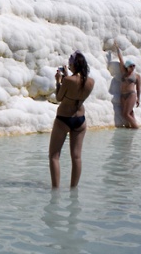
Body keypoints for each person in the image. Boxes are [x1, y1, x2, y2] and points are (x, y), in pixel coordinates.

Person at [49, 50, 95, 189]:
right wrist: (67, 78)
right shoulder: (90, 82)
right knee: (76, 157)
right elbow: (77, 88)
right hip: (80, 119)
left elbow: (59, 97)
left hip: (64, 118)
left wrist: (58, 81)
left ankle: (55, 190)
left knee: (54, 156)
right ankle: (73, 189)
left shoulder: (68, 81)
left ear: (74, 65)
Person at [114, 41, 141, 129]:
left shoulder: (137, 76)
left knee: (125, 114)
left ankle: (136, 128)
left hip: (131, 95)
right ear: (127, 67)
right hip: (123, 95)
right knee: (130, 112)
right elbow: (121, 59)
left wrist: (138, 98)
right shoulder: (123, 72)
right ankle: (131, 129)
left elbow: (138, 88)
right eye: (131, 66)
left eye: (134, 66)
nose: (132, 67)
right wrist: (117, 48)